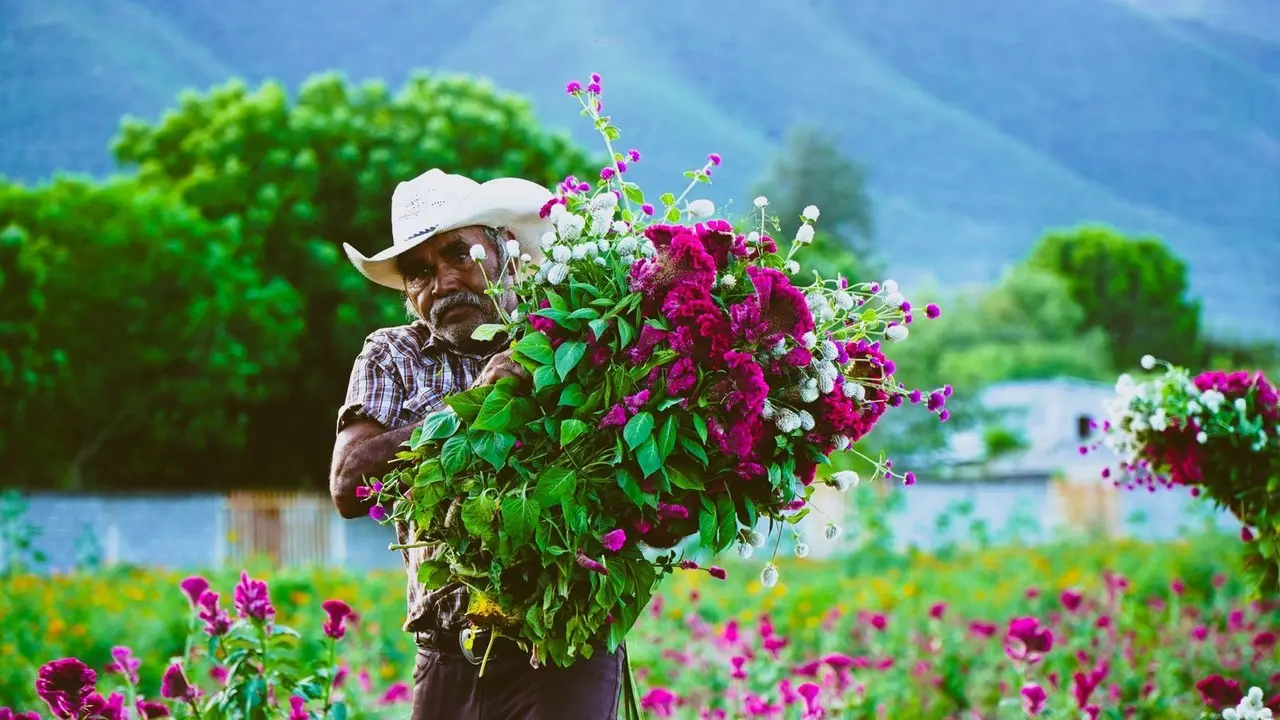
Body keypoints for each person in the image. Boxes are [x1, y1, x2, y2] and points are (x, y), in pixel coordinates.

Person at [329, 169, 625, 719]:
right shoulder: (393, 354)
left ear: (504, 251)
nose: (441, 282)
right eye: (419, 272)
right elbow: (349, 484)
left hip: (565, 640)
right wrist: (474, 408)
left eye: (459, 255)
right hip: (447, 649)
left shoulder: (564, 340)